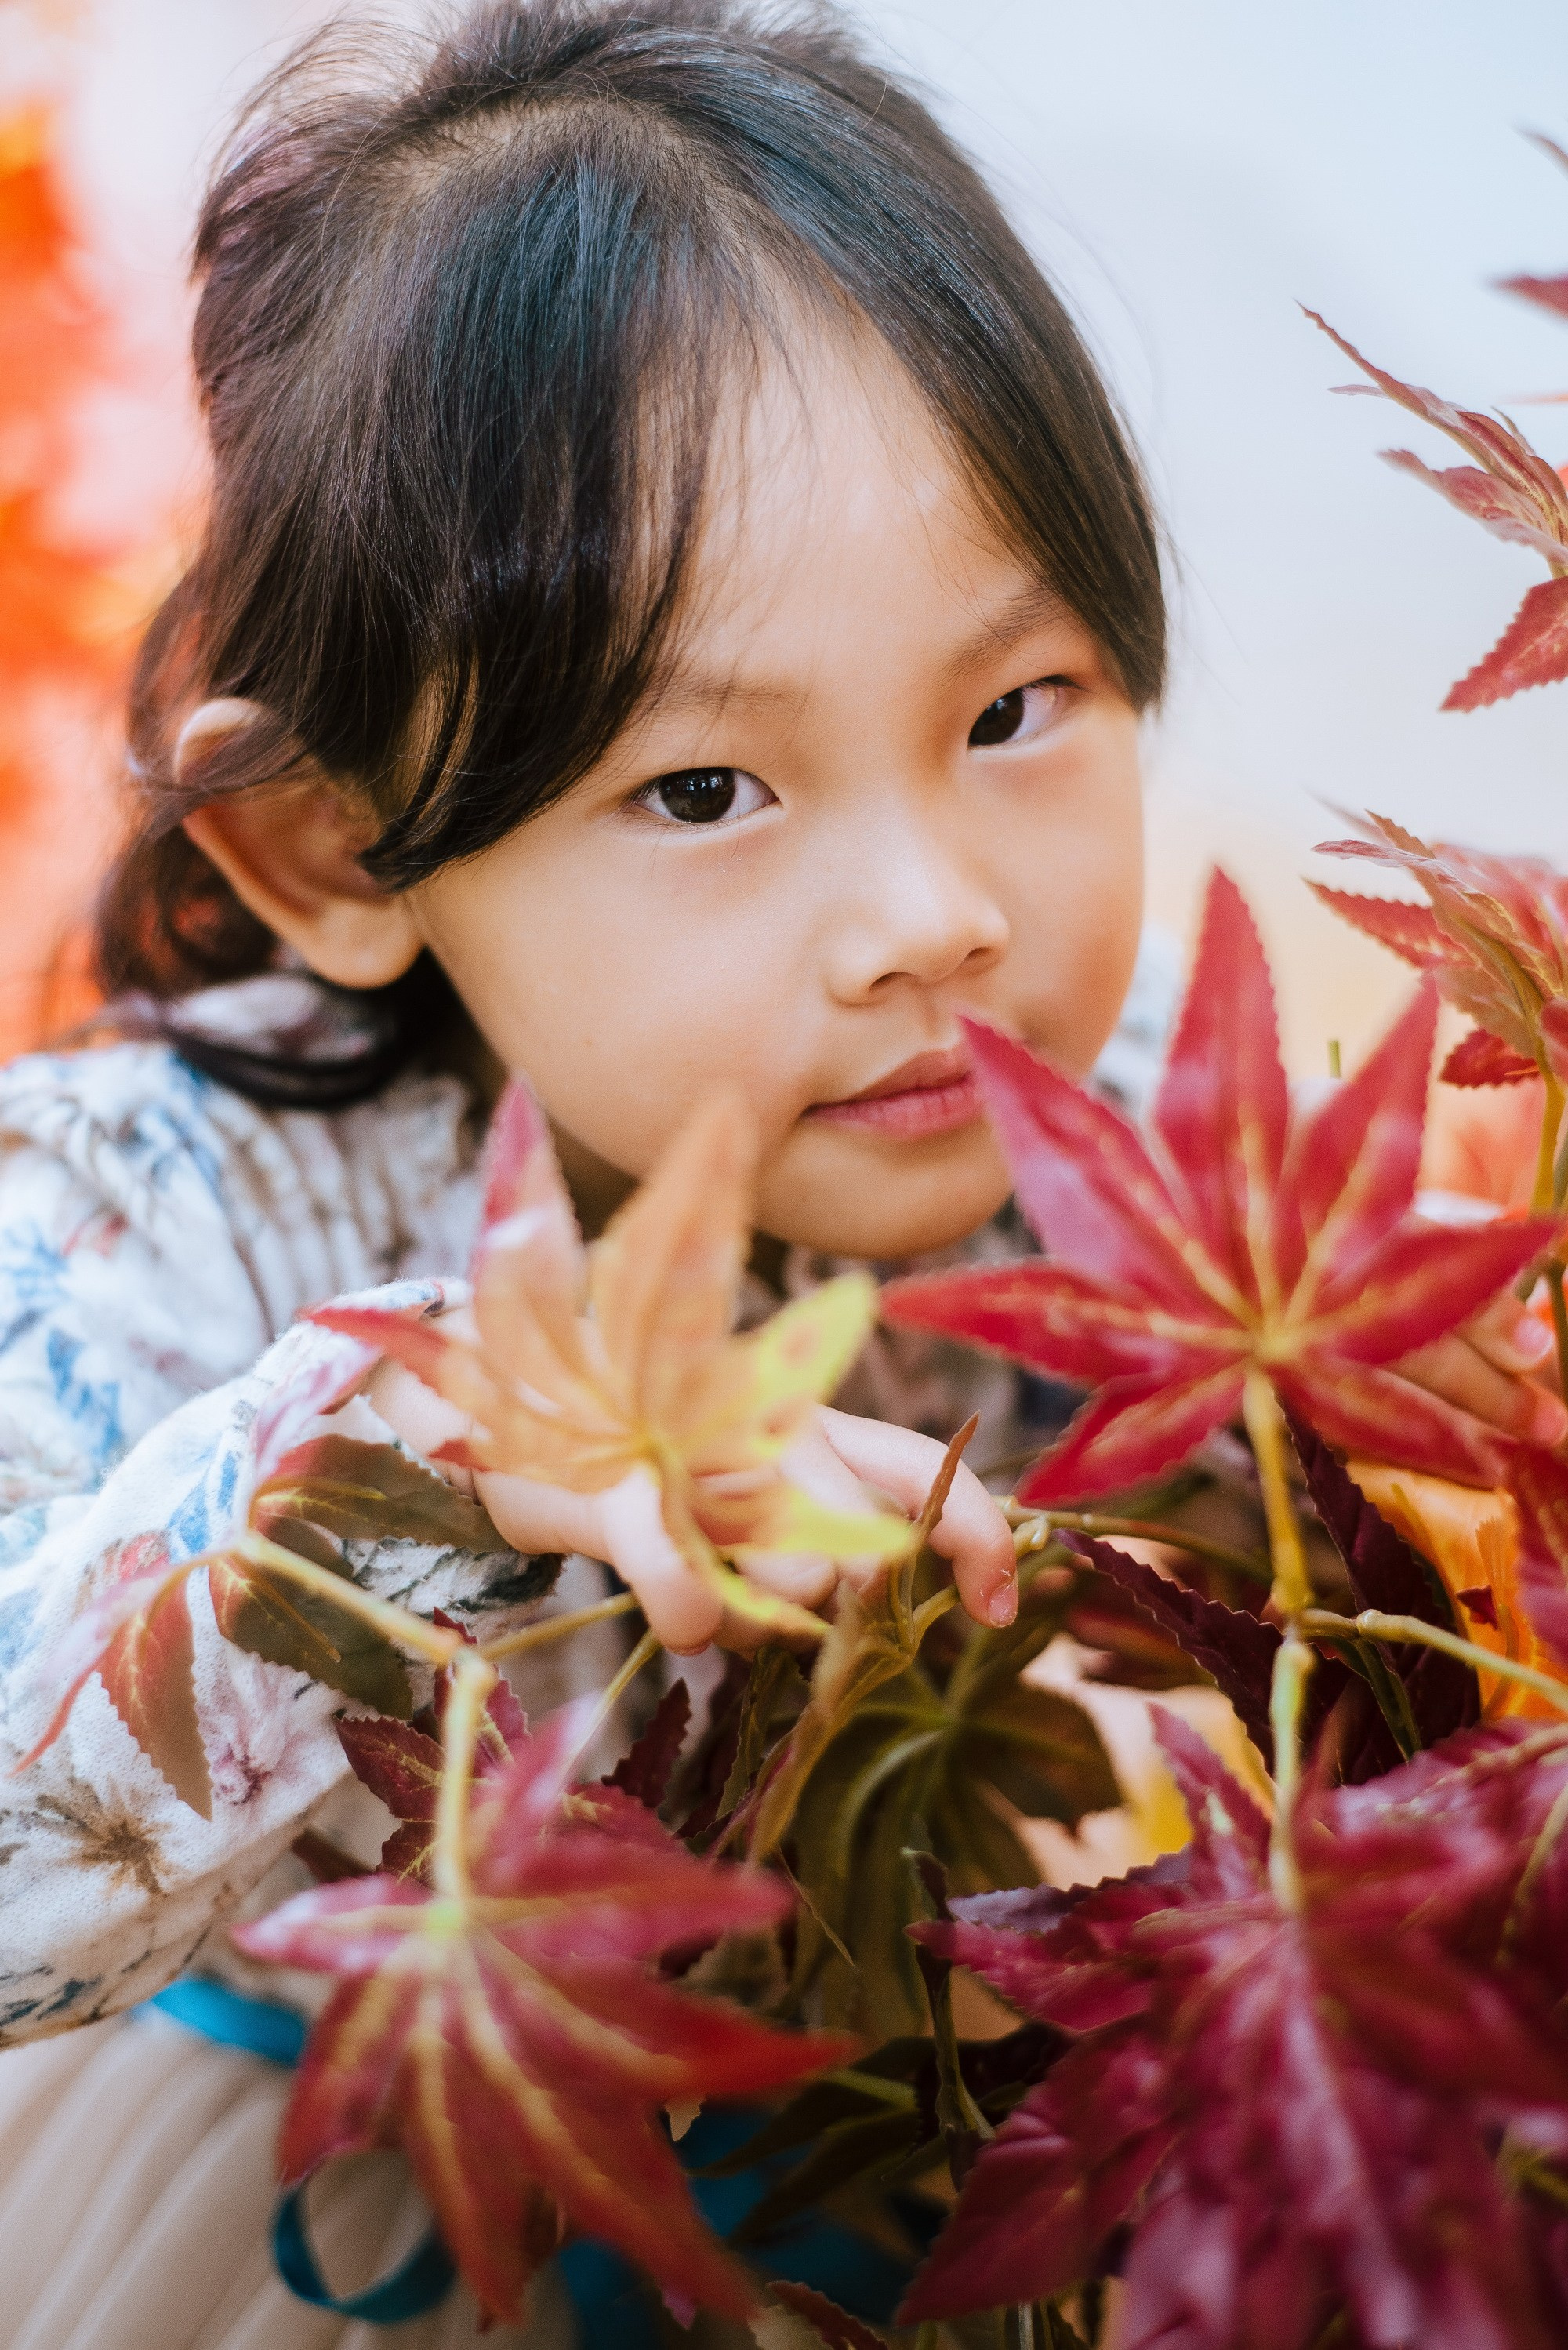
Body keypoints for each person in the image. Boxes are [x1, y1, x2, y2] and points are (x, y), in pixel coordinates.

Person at [0, 4, 1557, 2344]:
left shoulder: (1148, 1147)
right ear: (334, 843)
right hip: (390, 2206)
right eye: (711, 789)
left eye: (1012, 712)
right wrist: (388, 1473)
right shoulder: (171, 1194)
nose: (938, 909)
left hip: (960, 2145)